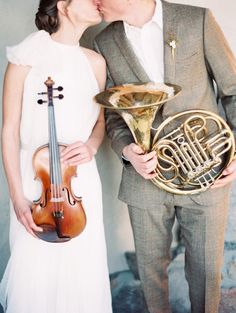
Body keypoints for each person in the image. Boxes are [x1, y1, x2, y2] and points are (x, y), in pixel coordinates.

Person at [94, 0, 236, 312]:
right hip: (144, 179)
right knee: (150, 274)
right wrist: (128, 152)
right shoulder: (103, 41)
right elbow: (114, 116)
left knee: (207, 273)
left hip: (207, 172)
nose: (95, 2)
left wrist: (235, 152)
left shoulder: (197, 20)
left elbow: (233, 90)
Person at [0, 0, 112, 312]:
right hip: (36, 181)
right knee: (36, 270)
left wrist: (90, 146)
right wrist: (17, 196)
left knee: (82, 270)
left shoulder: (95, 62)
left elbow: (100, 124)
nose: (98, 2)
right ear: (63, 5)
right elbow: (8, 130)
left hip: (79, 180)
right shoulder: (26, 56)